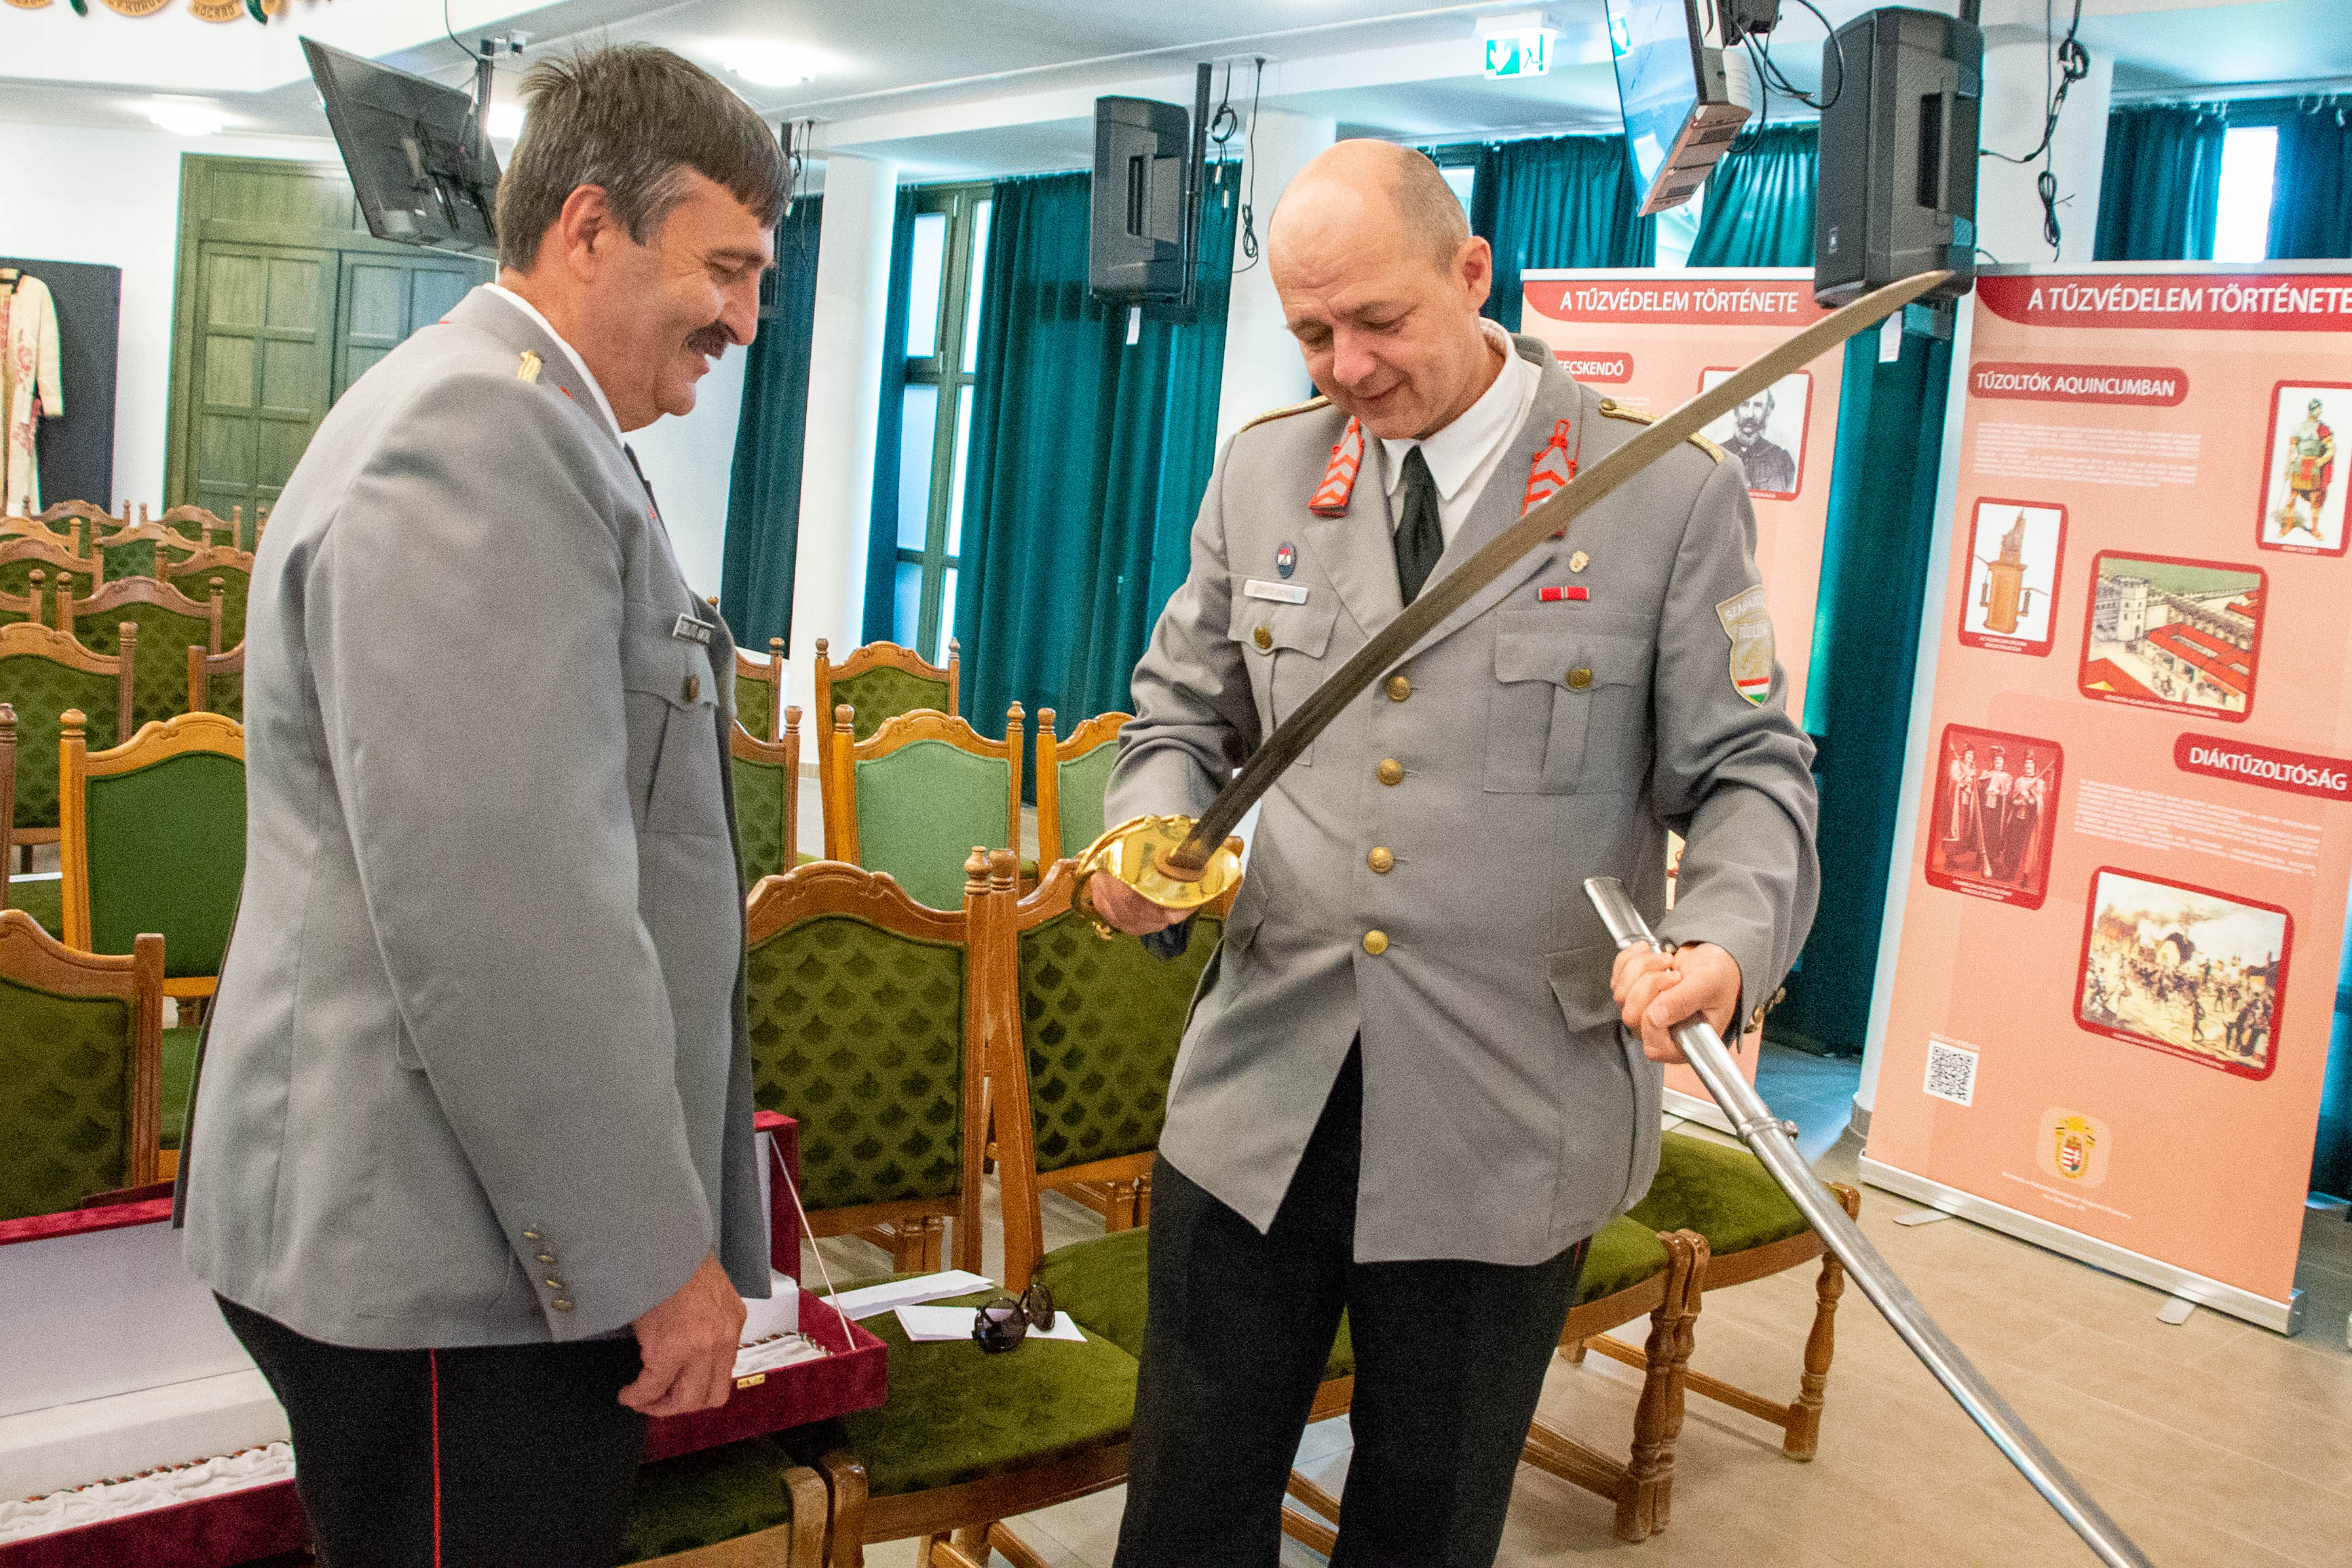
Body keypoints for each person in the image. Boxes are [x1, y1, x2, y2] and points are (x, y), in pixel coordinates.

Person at [1088, 140, 1818, 1567]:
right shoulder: (1264, 472)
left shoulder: (1658, 494)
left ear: (1471, 271)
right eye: (1311, 334)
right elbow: (1179, 713)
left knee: (1422, 1527)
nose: (1346, 367)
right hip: (1262, 1090)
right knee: (1184, 1512)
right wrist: (1144, 829)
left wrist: (1722, 946)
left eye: (1378, 320)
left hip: (1506, 1111)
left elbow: (1747, 772)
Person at [178, 45, 784, 1567]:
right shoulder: (484, 438)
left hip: (476, 1226)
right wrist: (648, 1253)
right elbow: (511, 921)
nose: (744, 319)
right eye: (724, 268)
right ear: (589, 227)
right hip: (457, 1248)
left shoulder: (530, 419)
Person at [1720, 383, 1799, 493]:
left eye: (1758, 405)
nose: (1750, 414)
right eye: (1744, 405)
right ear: (1735, 409)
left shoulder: (1782, 460)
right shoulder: (1717, 454)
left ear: (1768, 411)